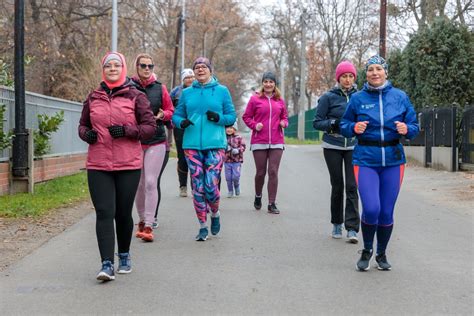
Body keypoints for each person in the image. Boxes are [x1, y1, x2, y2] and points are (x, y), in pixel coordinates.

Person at [78, 52, 156, 281]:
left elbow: (150, 127)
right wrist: (87, 134)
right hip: (98, 162)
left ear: (122, 68)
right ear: (103, 69)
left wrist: (128, 131)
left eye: (116, 65)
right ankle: (106, 264)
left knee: (122, 213)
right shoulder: (93, 97)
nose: (112, 68)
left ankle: (124, 254)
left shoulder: (136, 96)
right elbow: (82, 125)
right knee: (104, 212)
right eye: (108, 65)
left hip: (127, 163)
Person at [340, 55, 419, 271]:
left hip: (393, 160)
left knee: (386, 211)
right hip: (366, 158)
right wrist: (353, 128)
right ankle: (367, 250)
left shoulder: (400, 97)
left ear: (386, 72)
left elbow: (414, 125)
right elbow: (344, 124)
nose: (375, 73)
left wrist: (408, 130)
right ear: (366, 74)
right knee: (372, 208)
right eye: (370, 69)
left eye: (379, 69)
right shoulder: (357, 98)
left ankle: (382, 254)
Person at [172, 57, 236, 241]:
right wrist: (181, 122)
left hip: (215, 144)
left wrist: (219, 118)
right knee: (198, 187)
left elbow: (231, 116)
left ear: (210, 70)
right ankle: (202, 226)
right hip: (191, 145)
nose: (200, 70)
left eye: (203, 67)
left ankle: (214, 213)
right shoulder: (187, 93)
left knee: (210, 185)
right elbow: (176, 116)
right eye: (197, 68)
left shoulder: (222, 91)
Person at [313, 61, 360, 243]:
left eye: (350, 76)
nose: (347, 80)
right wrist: (333, 124)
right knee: (338, 185)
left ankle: (352, 228)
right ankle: (337, 223)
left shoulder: (359, 97)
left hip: (354, 147)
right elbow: (317, 122)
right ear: (338, 78)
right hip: (332, 146)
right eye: (344, 76)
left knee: (352, 186)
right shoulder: (328, 97)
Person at [131, 53, 174, 242]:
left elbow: (171, 110)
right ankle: (141, 220)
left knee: (150, 181)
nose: (147, 69)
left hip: (156, 140)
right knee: (138, 183)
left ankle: (149, 224)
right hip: (135, 141)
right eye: (143, 65)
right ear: (137, 67)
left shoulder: (160, 88)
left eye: (150, 66)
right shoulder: (128, 87)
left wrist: (164, 114)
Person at [242, 71, 288, 214]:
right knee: (260, 172)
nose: (268, 84)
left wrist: (283, 122)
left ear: (275, 84)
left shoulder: (280, 100)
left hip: (276, 140)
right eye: (266, 81)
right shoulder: (255, 99)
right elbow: (246, 117)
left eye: (271, 82)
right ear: (262, 83)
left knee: (273, 171)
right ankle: (258, 195)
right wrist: (255, 125)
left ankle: (271, 203)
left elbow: (285, 117)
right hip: (259, 140)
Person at [170, 68, 195, 197]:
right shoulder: (176, 92)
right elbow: (168, 107)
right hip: (180, 127)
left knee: (194, 156)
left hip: (194, 126)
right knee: (182, 157)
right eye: (187, 78)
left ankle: (195, 185)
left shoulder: (198, 90)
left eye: (191, 77)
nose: (190, 80)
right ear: (183, 79)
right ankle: (183, 185)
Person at [224, 121, 246, 198]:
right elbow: (221, 147)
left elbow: (243, 146)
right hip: (227, 161)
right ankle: (230, 190)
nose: (228, 129)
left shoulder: (239, 138)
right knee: (228, 177)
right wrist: (225, 148)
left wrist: (238, 150)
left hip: (237, 161)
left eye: (231, 128)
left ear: (234, 129)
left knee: (235, 176)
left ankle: (236, 186)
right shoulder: (224, 138)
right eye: (227, 128)